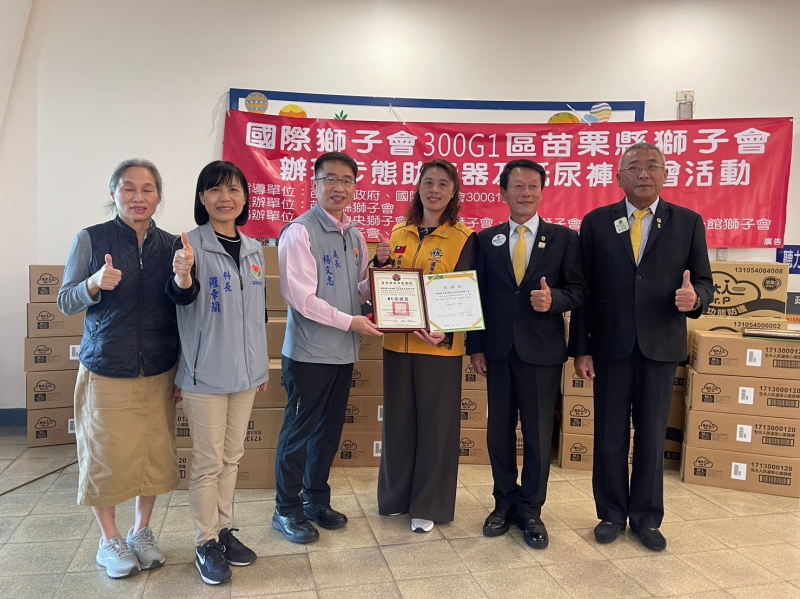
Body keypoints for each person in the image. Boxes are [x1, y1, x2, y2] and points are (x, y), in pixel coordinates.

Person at [569, 142, 713, 551]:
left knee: (651, 435)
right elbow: (583, 291)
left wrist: (695, 299)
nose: (643, 173)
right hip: (609, 347)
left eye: (652, 166)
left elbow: (705, 281)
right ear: (619, 177)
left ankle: (647, 518)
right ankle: (611, 514)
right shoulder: (596, 222)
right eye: (633, 167)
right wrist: (581, 348)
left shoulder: (688, 222)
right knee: (609, 434)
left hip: (660, 346)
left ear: (665, 174)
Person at [58, 158, 192, 578]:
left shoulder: (173, 244)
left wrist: (185, 277)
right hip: (106, 367)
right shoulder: (90, 238)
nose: (138, 197)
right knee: (106, 456)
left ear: (159, 196)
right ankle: (109, 538)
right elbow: (65, 301)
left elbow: (182, 310)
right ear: (113, 192)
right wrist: (93, 283)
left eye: (148, 189)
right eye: (129, 188)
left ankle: (141, 532)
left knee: (152, 455)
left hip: (158, 368)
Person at [467, 159, 586, 549]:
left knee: (537, 434)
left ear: (542, 192)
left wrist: (555, 301)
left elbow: (580, 292)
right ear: (504, 192)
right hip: (498, 352)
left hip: (542, 352)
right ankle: (503, 504)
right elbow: (475, 294)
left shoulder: (564, 238)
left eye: (533, 186)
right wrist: (475, 346)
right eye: (517, 186)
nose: (525, 192)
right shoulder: (486, 240)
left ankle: (531, 510)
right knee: (499, 432)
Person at [273, 151, 390, 544]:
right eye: (330, 179)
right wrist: (350, 321)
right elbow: (300, 298)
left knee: (328, 433)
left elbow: (357, 292)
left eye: (347, 181)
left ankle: (315, 500)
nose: (339, 187)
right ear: (315, 184)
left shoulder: (354, 235)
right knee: (299, 433)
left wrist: (380, 271)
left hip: (344, 352)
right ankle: (286, 509)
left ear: (355, 187)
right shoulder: (300, 232)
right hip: (309, 354)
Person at [171, 160, 269, 585]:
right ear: (202, 198)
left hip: (246, 374)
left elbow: (258, 313)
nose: (224, 197)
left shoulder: (253, 248)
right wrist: (183, 274)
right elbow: (182, 296)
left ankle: (224, 530)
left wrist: (259, 364)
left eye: (233, 189)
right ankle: (205, 541)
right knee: (208, 463)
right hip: (205, 375)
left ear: (244, 198)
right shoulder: (188, 245)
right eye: (214, 189)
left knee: (232, 458)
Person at [374, 159, 475, 533]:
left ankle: (428, 505)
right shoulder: (398, 233)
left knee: (436, 427)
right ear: (417, 187)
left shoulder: (464, 238)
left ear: (453, 192)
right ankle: (396, 498)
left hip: (438, 348)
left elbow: (465, 294)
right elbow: (385, 284)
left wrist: (444, 332)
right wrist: (380, 264)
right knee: (398, 424)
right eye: (428, 182)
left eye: (443, 184)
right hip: (397, 345)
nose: (435, 190)